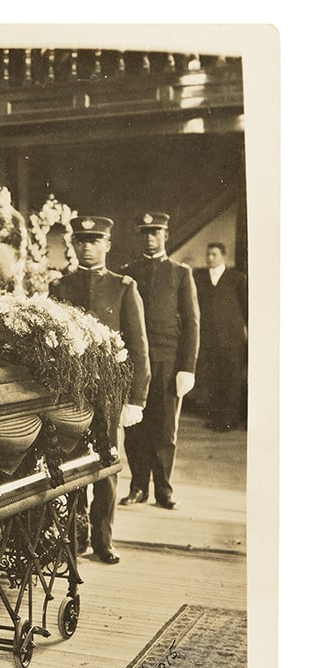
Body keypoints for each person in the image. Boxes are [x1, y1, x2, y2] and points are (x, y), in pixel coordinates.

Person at [50, 216, 151, 565]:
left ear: (107, 245)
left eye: (94, 241)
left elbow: (138, 348)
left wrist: (136, 398)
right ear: (73, 245)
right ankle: (74, 538)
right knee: (72, 463)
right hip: (72, 394)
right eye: (80, 241)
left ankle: (102, 539)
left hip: (109, 394)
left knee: (107, 464)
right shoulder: (60, 287)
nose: (86, 247)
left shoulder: (124, 287)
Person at [119, 211, 200, 510]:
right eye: (145, 233)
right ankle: (138, 486)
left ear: (166, 235)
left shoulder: (180, 273)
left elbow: (192, 323)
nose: (150, 238)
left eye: (156, 232)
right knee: (135, 427)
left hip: (167, 362)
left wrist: (187, 367)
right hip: (136, 364)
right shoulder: (128, 273)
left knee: (165, 428)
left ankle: (164, 489)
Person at [194, 242, 248, 431]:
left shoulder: (237, 279)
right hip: (209, 340)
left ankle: (230, 420)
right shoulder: (199, 279)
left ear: (223, 256)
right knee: (213, 380)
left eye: (214, 255)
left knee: (231, 381)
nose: (209, 258)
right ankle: (217, 418)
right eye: (208, 254)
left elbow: (246, 308)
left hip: (232, 340)